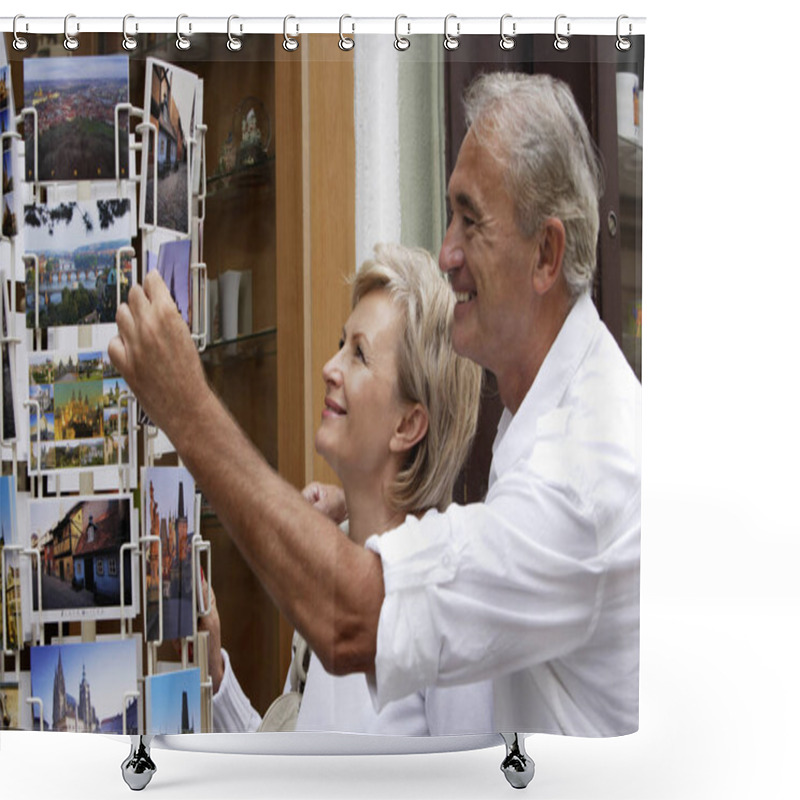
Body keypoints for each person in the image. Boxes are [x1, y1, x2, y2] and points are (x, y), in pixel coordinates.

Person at [110, 71, 640, 737]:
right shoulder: (540, 420)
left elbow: (358, 618)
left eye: (470, 221)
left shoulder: (581, 470)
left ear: (546, 254)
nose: (447, 251)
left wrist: (187, 409)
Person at [200, 243, 492, 734]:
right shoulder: (341, 585)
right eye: (341, 344)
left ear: (408, 423)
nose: (329, 368)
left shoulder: (445, 601)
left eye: (358, 354)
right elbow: (302, 770)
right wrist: (218, 675)